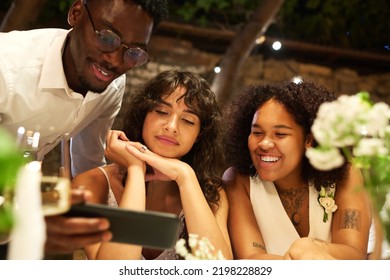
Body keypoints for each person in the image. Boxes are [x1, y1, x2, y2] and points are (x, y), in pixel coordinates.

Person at [0, 0, 169, 258]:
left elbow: (88, 163)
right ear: (76, 13)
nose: (115, 61)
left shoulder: (111, 86)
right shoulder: (7, 68)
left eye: (133, 52)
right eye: (107, 37)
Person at [72, 70, 232, 260]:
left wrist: (185, 176)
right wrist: (135, 170)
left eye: (188, 120)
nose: (172, 126)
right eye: (162, 112)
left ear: (200, 135)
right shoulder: (91, 184)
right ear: (143, 116)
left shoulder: (211, 193)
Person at [222, 81, 372, 260]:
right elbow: (252, 259)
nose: (264, 143)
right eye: (257, 132)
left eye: (280, 134)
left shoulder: (344, 173)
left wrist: (314, 246)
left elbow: (354, 254)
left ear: (308, 140)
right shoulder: (238, 180)